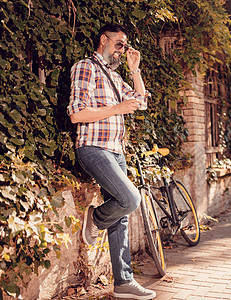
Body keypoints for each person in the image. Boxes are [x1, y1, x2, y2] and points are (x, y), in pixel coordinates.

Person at [67, 23, 155, 300]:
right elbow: (76, 114)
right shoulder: (85, 67)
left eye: (126, 46)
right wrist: (118, 109)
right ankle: (95, 217)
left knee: (122, 218)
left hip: (116, 151)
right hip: (93, 148)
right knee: (130, 199)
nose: (123, 50)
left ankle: (123, 282)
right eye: (120, 44)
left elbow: (141, 102)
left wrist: (135, 70)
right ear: (103, 40)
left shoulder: (115, 78)